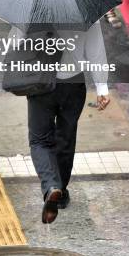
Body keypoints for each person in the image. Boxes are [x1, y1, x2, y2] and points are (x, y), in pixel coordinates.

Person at [22, 22, 110, 223]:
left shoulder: (32, 7)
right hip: (73, 83)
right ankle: (60, 191)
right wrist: (102, 86)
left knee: (39, 140)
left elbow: (15, 43)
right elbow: (95, 49)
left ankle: (51, 186)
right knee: (66, 137)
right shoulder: (85, 8)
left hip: (41, 81)